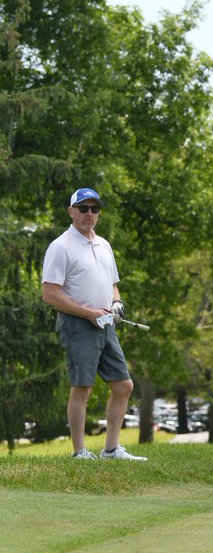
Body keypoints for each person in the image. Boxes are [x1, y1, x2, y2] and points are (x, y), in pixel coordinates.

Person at [41, 188, 147, 461]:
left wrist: (117, 304)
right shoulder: (61, 246)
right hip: (78, 324)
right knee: (82, 387)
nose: (89, 214)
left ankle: (111, 450)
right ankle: (80, 452)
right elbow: (50, 293)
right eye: (83, 208)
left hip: (105, 323)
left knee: (123, 385)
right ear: (71, 211)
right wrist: (87, 312)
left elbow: (112, 285)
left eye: (94, 209)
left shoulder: (104, 245)